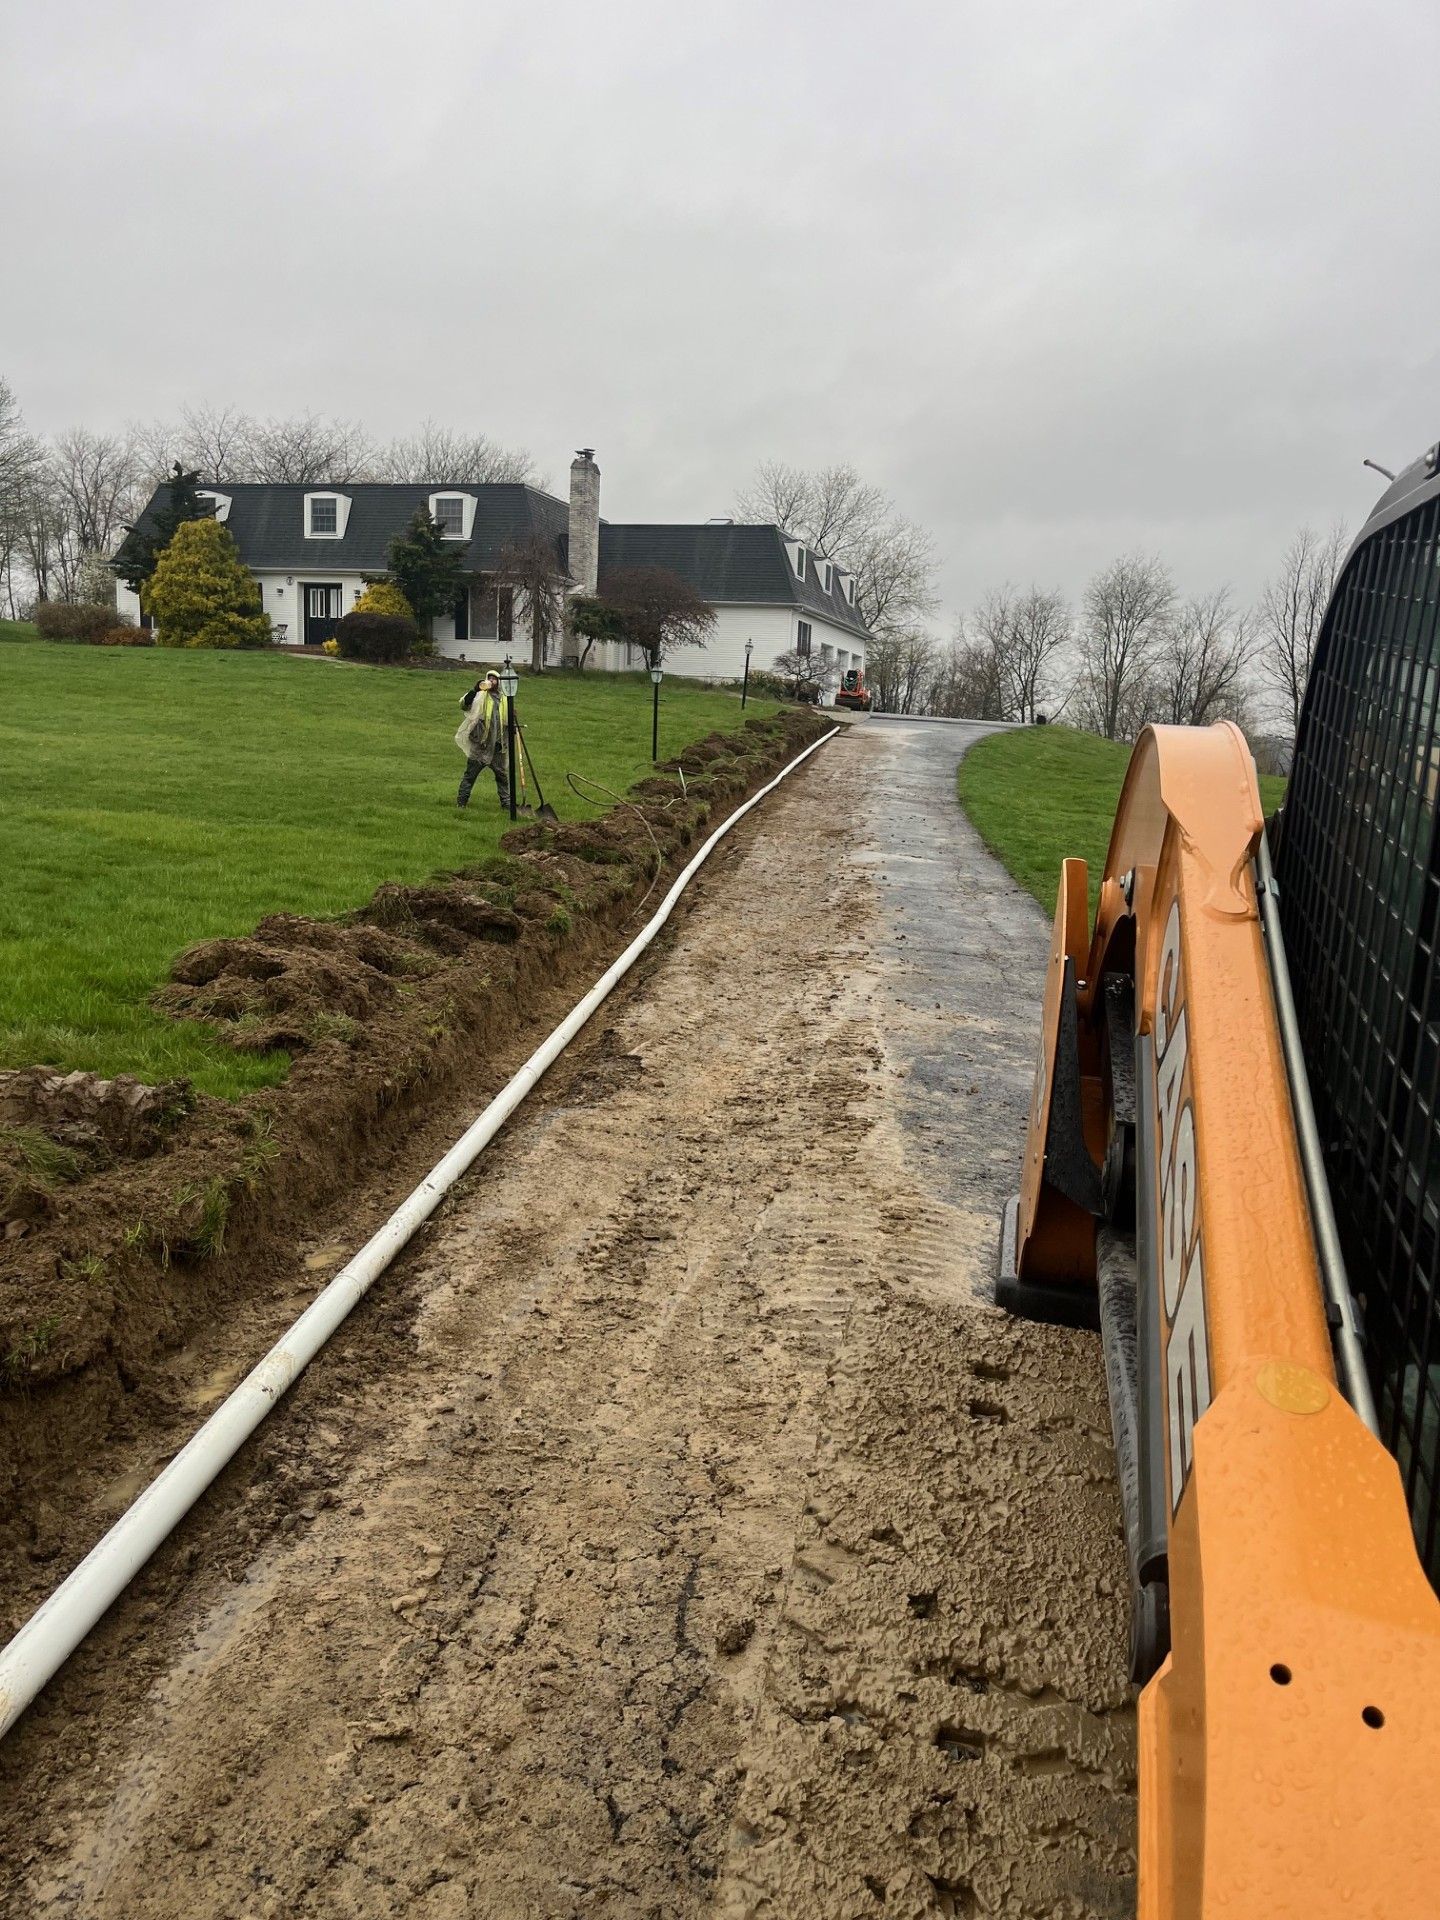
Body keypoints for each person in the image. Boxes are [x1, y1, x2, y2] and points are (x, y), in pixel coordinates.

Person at [455, 670, 510, 810]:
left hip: (498, 745)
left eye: (494, 679)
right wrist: (475, 690)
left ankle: (506, 804)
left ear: (499, 682)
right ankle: (461, 802)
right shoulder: (480, 695)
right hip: (481, 744)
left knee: (502, 776)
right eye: (489, 678)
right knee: (470, 774)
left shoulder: (504, 699)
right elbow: (463, 704)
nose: (491, 681)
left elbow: (506, 720)